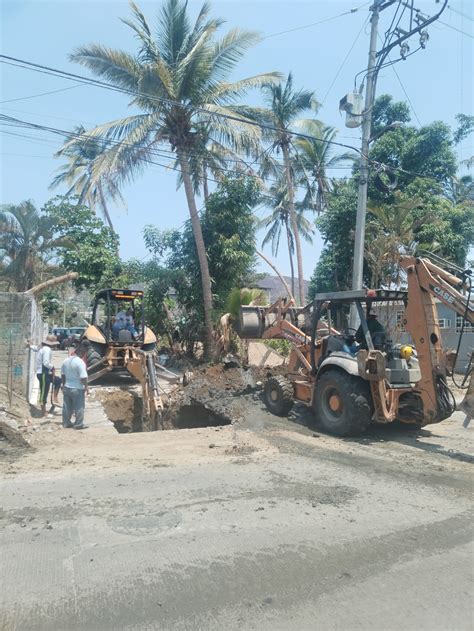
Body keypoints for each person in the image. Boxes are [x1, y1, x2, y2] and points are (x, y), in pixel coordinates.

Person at [27, 334, 59, 416]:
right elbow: (46, 363)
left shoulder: (42, 347)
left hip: (44, 373)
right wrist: (53, 367)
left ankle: (55, 397)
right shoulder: (47, 349)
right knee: (44, 392)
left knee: (58, 380)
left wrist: (30, 345)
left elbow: (35, 348)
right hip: (43, 373)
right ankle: (44, 411)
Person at [61, 340, 90, 430]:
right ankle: (78, 424)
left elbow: (63, 375)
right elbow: (83, 377)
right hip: (77, 388)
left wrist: (63, 384)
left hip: (67, 387)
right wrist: (86, 387)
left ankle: (66, 423)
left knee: (66, 406)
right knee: (79, 406)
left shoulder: (65, 361)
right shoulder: (80, 362)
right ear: (82, 352)